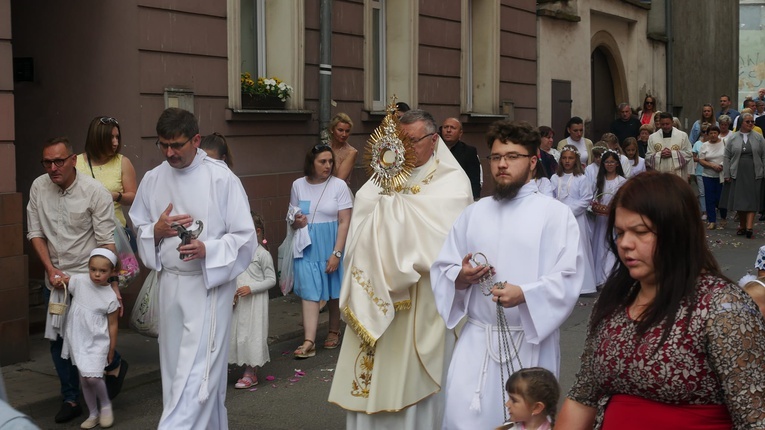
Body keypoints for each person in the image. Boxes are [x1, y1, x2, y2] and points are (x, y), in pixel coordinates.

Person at [556, 171, 765, 429]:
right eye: (620, 232)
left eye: (641, 231)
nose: (625, 244)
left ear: (678, 231)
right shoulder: (615, 301)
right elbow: (582, 396)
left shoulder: (723, 307)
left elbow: (754, 418)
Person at [430, 120, 584, 429]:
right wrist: (462, 277)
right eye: (496, 157)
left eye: (512, 156)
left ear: (532, 162)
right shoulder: (474, 212)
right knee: (462, 419)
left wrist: (525, 293)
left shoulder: (555, 215)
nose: (502, 164)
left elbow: (569, 276)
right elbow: (444, 266)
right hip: (476, 339)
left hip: (529, 340)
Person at [328, 109, 473, 429]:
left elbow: (445, 242)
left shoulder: (453, 182)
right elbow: (360, 224)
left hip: (420, 302)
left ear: (434, 140)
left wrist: (395, 216)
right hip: (376, 292)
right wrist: (385, 211)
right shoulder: (384, 175)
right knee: (371, 380)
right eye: (400, 141)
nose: (405, 149)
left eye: (413, 141)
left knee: (412, 385)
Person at [129, 108, 257, 429]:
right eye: (163, 145)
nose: (169, 153)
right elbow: (139, 224)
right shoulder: (154, 178)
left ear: (196, 140)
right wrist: (155, 231)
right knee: (174, 373)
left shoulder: (221, 177)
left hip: (207, 286)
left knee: (197, 377)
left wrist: (207, 249)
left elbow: (244, 237)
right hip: (170, 284)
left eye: (177, 145)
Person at [26, 137, 122, 424]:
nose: (53, 167)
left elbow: (107, 243)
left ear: (73, 160)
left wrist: (110, 284)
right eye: (47, 162)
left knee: (92, 338)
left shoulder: (95, 193)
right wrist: (50, 269)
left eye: (58, 161)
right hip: (55, 281)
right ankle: (70, 398)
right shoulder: (38, 187)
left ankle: (113, 362)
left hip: (88, 280)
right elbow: (35, 233)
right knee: (58, 341)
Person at [289, 144, 352, 358]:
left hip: (330, 242)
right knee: (309, 291)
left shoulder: (338, 186)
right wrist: (296, 222)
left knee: (333, 289)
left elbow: (344, 222)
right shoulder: (298, 185)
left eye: (330, 161)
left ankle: (334, 330)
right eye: (322, 161)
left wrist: (336, 253)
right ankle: (309, 341)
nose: (327, 165)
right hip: (306, 245)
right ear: (311, 162)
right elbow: (292, 216)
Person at [61, 249, 120, 429]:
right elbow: (63, 281)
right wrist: (57, 279)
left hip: (97, 340)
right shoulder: (79, 281)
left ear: (112, 273)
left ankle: (106, 405)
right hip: (78, 337)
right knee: (84, 379)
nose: (96, 274)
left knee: (93, 377)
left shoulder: (110, 297)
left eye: (102, 271)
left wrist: (111, 349)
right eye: (93, 269)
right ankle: (93, 413)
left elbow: (113, 325)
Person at [77, 116, 138, 251]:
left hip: (115, 233)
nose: (115, 143)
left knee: (116, 272)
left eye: (117, 137)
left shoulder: (123, 162)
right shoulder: (76, 163)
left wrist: (116, 196)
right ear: (97, 138)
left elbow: (134, 197)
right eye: (111, 138)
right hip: (83, 236)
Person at [229, 212, 274, 389]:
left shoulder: (263, 255)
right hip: (240, 302)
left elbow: (271, 279)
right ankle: (239, 364)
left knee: (252, 333)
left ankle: (251, 371)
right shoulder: (237, 252)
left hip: (255, 303)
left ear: (256, 232)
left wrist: (252, 288)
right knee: (238, 332)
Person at [551, 145, 596, 294]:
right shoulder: (554, 177)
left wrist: (568, 211)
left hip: (576, 220)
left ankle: (584, 285)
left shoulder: (581, 178)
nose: (567, 161)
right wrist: (558, 212)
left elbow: (586, 199)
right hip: (558, 219)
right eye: (564, 158)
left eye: (570, 158)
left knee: (578, 249)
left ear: (575, 159)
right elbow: (551, 197)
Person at [723, 112, 765, 238]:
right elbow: (727, 156)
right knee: (740, 200)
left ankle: (749, 227)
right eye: (748, 122)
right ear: (741, 122)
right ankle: (742, 224)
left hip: (754, 170)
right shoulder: (733, 137)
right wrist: (727, 173)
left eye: (752, 121)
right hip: (738, 171)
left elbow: (764, 155)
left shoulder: (758, 137)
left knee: (752, 199)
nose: (751, 124)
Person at [589, 150, 627, 288]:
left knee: (612, 246)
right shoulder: (599, 181)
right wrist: (596, 206)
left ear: (617, 163)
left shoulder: (622, 181)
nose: (609, 165)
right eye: (607, 162)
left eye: (612, 162)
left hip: (614, 220)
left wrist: (613, 208)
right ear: (603, 164)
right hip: (600, 221)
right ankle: (599, 278)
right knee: (600, 246)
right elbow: (592, 199)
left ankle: (611, 276)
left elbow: (623, 200)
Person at [442, 117, 482, 199]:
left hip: (459, 197)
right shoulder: (433, 149)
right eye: (445, 127)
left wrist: (474, 199)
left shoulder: (469, 152)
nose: (448, 130)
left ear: (460, 133)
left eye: (452, 128)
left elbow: (474, 180)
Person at [645, 112, 693, 180]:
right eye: (663, 124)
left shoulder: (682, 136)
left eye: (667, 124)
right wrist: (660, 154)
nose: (665, 126)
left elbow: (689, 153)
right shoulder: (652, 137)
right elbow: (648, 157)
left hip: (678, 175)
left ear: (672, 122)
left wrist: (673, 154)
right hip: (659, 175)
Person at [698, 125, 727, 230]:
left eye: (715, 133)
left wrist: (721, 165)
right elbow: (701, 159)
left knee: (720, 198)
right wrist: (712, 165)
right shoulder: (704, 145)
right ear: (707, 134)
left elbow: (729, 155)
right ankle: (712, 220)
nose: (713, 135)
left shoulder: (725, 142)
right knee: (709, 197)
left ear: (718, 133)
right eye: (711, 133)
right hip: (708, 174)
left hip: (722, 174)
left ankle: (723, 217)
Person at [327, 113, 359, 184]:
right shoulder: (326, 147)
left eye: (347, 131)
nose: (344, 134)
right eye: (340, 130)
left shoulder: (351, 152)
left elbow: (339, 180)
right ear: (332, 129)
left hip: (338, 190)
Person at [691, 122, 711, 220]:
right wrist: (700, 159)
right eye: (703, 132)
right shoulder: (697, 144)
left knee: (711, 192)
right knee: (702, 192)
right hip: (700, 171)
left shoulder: (714, 143)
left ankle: (711, 209)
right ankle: (704, 211)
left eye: (708, 132)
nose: (706, 134)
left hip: (712, 171)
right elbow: (693, 157)